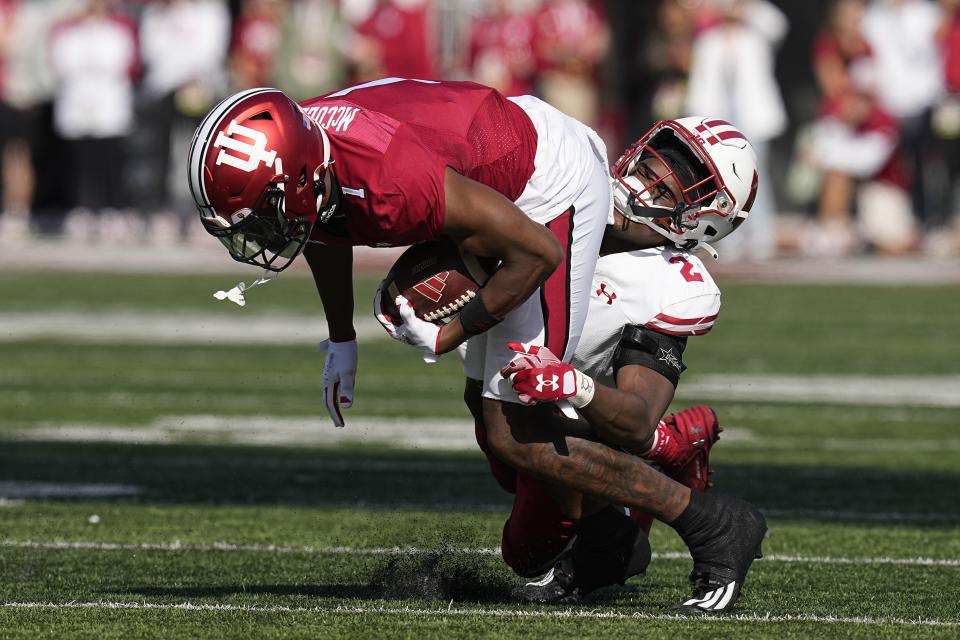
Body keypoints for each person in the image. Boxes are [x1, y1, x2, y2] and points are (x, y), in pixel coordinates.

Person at [187, 79, 765, 612]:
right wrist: (341, 336)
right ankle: (608, 538)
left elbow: (538, 251)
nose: (259, 228)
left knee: (516, 434)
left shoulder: (392, 184)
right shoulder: (310, 142)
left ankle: (711, 523)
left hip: (547, 187)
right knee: (495, 430)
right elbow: (320, 219)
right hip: (502, 157)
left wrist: (450, 333)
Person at [468, 117, 764, 610]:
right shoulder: (564, 190)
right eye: (647, 167)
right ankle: (651, 480)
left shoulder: (669, 282)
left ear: (701, 220)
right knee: (493, 434)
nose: (638, 186)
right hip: (523, 396)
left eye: (665, 190)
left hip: (583, 418)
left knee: (526, 550)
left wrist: (575, 386)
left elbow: (633, 417)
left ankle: (671, 474)